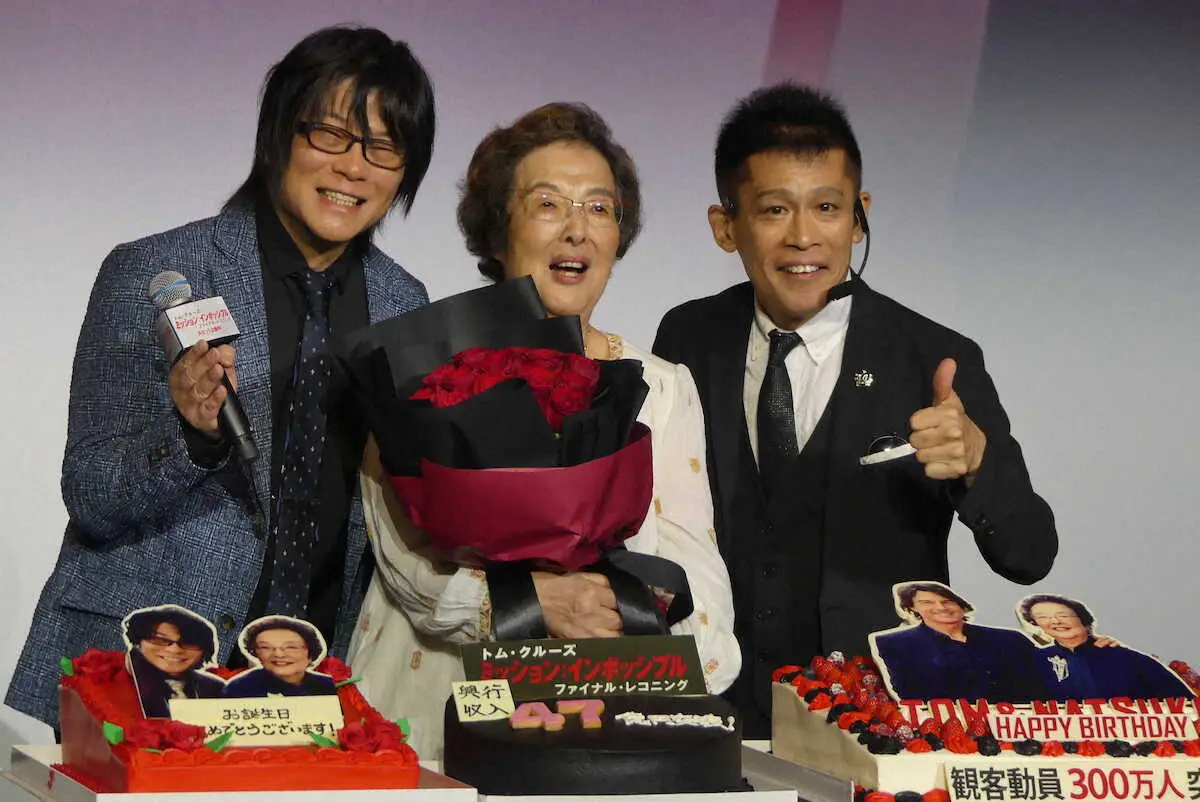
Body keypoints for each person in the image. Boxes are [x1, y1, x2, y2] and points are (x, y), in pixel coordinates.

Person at [6, 25, 435, 729]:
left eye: (383, 148)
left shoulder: (405, 305)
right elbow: (90, 494)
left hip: (305, 687)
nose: (354, 167)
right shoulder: (154, 273)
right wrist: (190, 437)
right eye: (331, 135)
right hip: (144, 671)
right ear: (279, 133)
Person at [652, 83, 1057, 736]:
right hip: (715, 715)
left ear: (859, 216)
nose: (803, 237)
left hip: (877, 722)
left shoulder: (934, 357)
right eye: (774, 210)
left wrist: (979, 464)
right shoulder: (688, 337)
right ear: (726, 226)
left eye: (827, 207)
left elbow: (1030, 553)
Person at [348, 103, 740, 758]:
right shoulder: (419, 366)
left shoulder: (664, 384)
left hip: (595, 712)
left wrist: (638, 620)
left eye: (599, 208)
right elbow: (405, 562)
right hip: (433, 698)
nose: (577, 230)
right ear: (497, 230)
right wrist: (534, 603)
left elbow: (695, 570)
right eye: (548, 204)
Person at [870, 582, 1046, 703]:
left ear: (962, 605)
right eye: (927, 602)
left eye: (947, 601)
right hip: (941, 733)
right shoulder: (891, 643)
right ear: (911, 608)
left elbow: (1041, 686)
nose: (940, 607)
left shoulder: (1011, 639)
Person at [1019, 594, 1193, 700]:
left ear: (1085, 621)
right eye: (1043, 617)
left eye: (1063, 615)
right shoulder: (1036, 659)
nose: (1055, 621)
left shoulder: (1125, 657)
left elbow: (1186, 705)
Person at [124, 606, 226, 718]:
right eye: (160, 640)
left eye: (188, 642)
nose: (175, 649)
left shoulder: (215, 687)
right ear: (138, 641)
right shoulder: (123, 681)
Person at [224, 616, 337, 697]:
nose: (278, 654)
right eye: (266, 647)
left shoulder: (330, 689)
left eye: (291, 647)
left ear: (311, 654)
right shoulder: (238, 687)